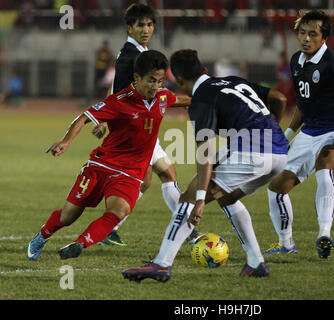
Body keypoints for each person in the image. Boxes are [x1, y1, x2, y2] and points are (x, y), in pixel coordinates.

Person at [122, 49, 289, 282]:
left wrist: (199, 198)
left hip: (253, 152)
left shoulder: (201, 99)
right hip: (280, 152)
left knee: (187, 199)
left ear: (179, 81)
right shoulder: (233, 81)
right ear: (204, 70)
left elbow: (205, 153)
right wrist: (273, 130)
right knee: (227, 198)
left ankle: (161, 264)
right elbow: (279, 99)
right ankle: (256, 263)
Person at [26, 50, 189, 261]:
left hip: (131, 172)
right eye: (151, 81)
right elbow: (84, 117)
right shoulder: (119, 101)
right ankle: (42, 236)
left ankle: (80, 243)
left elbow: (183, 100)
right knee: (68, 216)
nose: (155, 86)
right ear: (137, 78)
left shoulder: (162, 96)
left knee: (119, 211)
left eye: (159, 81)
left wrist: (210, 100)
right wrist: (66, 141)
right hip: (101, 165)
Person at [263, 10, 334, 259]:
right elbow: (303, 103)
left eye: (312, 34)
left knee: (324, 164)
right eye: (302, 32)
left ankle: (324, 234)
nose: (305, 38)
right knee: (276, 187)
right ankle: (285, 243)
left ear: (323, 37)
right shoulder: (297, 60)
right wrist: (287, 133)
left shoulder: (333, 65)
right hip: (308, 132)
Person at [93, 3, 196, 246]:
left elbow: (116, 89)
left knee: (146, 180)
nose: (146, 29)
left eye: (150, 24)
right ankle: (187, 230)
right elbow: (119, 92)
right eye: (140, 25)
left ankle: (111, 226)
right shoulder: (130, 56)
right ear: (129, 28)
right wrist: (105, 120)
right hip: (135, 129)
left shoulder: (136, 53)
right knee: (168, 174)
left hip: (140, 126)